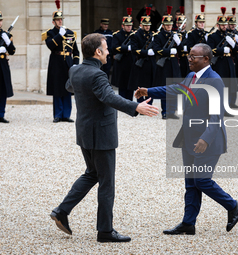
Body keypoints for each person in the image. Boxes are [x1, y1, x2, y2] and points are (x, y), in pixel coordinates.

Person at [50, 33, 159, 242]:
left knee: (92, 174)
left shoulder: (75, 70)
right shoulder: (97, 75)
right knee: (106, 183)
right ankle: (105, 231)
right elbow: (108, 96)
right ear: (98, 52)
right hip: (101, 135)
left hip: (85, 132)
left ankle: (62, 211)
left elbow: (70, 87)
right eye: (106, 48)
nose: (109, 51)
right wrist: (136, 107)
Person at [135, 43, 238, 235]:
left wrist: (206, 139)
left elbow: (217, 115)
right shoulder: (192, 76)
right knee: (191, 182)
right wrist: (148, 91)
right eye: (189, 56)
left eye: (194, 57)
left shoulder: (215, 80)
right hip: (189, 137)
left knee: (201, 180)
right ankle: (188, 223)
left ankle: (233, 205)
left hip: (208, 141)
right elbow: (176, 89)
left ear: (206, 60)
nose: (189, 59)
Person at [42, 0, 79, 123]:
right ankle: (58, 114)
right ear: (53, 21)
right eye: (57, 20)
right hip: (56, 63)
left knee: (68, 89)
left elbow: (76, 51)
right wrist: (59, 35)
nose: (60, 21)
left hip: (68, 63)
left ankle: (66, 114)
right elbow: (50, 45)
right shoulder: (50, 33)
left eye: (61, 19)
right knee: (57, 89)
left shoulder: (70, 33)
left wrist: (75, 64)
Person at [207, 7, 238, 117]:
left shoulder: (229, 36)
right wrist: (221, 50)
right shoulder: (213, 36)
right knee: (218, 87)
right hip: (219, 64)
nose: (224, 26)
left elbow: (236, 51)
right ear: (218, 25)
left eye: (225, 25)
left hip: (228, 62)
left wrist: (233, 44)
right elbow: (210, 50)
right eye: (222, 25)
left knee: (228, 87)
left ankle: (226, 109)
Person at [153, 5, 182, 119]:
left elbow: (182, 50)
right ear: (163, 25)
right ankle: (165, 111)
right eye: (167, 25)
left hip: (173, 64)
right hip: (164, 65)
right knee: (165, 88)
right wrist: (169, 51)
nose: (169, 26)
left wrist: (178, 43)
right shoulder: (159, 36)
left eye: (171, 25)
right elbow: (157, 50)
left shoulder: (175, 35)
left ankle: (172, 111)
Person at [128, 7, 156, 104]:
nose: (147, 27)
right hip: (140, 63)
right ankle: (140, 103)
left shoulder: (153, 35)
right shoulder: (136, 35)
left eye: (149, 25)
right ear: (141, 25)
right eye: (145, 25)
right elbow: (134, 50)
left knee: (151, 84)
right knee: (139, 84)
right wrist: (146, 53)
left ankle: (149, 103)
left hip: (151, 63)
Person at [111, 8, 135, 101]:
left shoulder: (134, 35)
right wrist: (127, 49)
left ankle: (129, 101)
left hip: (131, 62)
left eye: (130, 25)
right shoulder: (117, 35)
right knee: (122, 84)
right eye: (127, 25)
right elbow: (114, 47)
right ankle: (122, 102)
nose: (129, 27)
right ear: (122, 25)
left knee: (131, 84)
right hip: (121, 63)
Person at [227, 8, 238, 108]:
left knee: (235, 80)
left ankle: (233, 101)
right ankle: (228, 101)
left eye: (234, 24)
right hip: (228, 59)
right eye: (231, 24)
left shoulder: (237, 34)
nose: (233, 26)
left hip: (236, 57)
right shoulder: (226, 34)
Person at [176, 6, 190, 78]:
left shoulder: (188, 34)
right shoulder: (174, 35)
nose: (182, 25)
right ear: (177, 24)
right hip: (178, 57)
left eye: (184, 23)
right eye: (180, 23)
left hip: (186, 58)